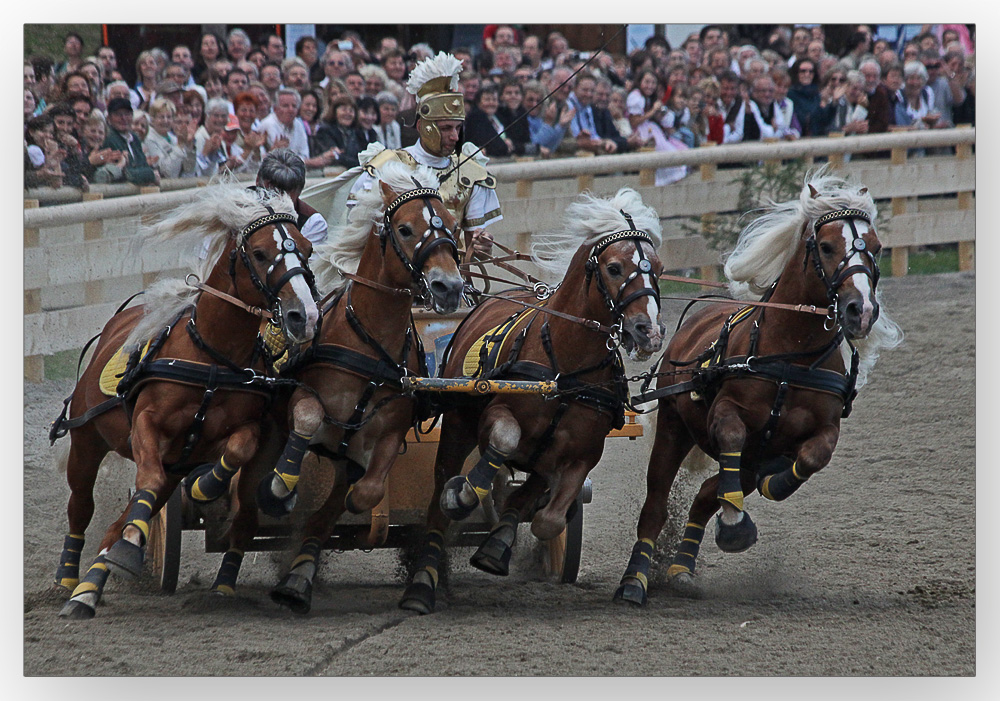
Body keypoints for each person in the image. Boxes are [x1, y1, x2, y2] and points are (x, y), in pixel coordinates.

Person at [349, 52, 499, 257]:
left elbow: (474, 245)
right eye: (446, 128)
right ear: (422, 126)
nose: (454, 136)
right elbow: (360, 233)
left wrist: (482, 246)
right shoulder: (387, 165)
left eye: (457, 128)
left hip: (451, 276)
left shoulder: (470, 172)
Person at [626, 69, 687, 185]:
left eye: (653, 83)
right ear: (640, 82)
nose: (650, 86)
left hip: (650, 128)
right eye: (647, 82)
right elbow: (634, 122)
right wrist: (653, 111)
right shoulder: (636, 97)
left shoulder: (648, 98)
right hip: (640, 131)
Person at [257, 148, 328, 248]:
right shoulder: (240, 210)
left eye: (285, 192)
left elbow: (310, 262)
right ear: (258, 181)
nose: (278, 199)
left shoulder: (312, 222)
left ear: (298, 192)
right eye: (272, 191)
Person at [93, 97, 158, 185]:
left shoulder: (134, 138)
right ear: (109, 118)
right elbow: (124, 175)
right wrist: (150, 174)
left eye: (127, 114)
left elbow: (143, 165)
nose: (123, 118)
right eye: (118, 114)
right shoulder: (108, 138)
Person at [566, 73, 627, 154]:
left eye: (592, 91)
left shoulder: (588, 107)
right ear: (575, 88)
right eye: (585, 90)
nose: (589, 94)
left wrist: (606, 142)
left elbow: (594, 136)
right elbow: (577, 139)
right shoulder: (568, 106)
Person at [313, 95, 367, 169]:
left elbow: (365, 158)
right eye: (344, 110)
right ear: (335, 112)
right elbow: (334, 157)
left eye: (351, 111)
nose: (348, 113)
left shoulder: (358, 133)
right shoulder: (325, 131)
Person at [465, 83, 516, 158]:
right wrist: (505, 145)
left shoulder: (499, 117)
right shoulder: (475, 118)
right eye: (487, 100)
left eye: (494, 100)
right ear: (479, 103)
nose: (491, 103)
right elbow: (493, 145)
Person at [259, 88, 310, 161]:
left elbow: (305, 154)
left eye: (294, 106)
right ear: (275, 109)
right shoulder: (268, 124)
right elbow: (279, 159)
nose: (291, 110)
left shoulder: (298, 124)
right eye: (286, 106)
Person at [143, 97, 189, 178]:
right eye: (161, 117)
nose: (165, 121)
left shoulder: (174, 139)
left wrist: (190, 145)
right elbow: (168, 172)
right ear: (152, 119)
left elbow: (189, 170)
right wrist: (179, 147)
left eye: (169, 117)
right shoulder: (149, 139)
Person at [788, 58, 823, 136]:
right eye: (803, 71)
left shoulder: (817, 94)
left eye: (811, 72)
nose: (807, 74)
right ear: (796, 73)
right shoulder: (790, 94)